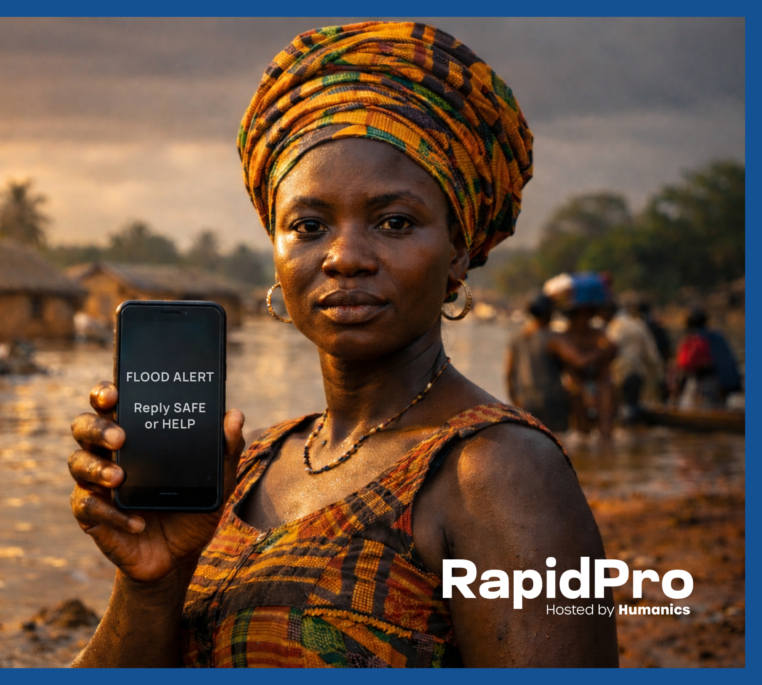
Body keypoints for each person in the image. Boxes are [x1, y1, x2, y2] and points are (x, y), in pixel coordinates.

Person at [68, 22, 617, 668]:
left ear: (457, 254)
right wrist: (151, 581)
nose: (345, 257)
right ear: (276, 252)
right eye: (308, 224)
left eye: (394, 222)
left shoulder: (498, 474)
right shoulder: (248, 464)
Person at [544, 273, 617, 438]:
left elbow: (610, 354)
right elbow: (577, 363)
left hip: (600, 381)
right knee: (582, 428)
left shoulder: (598, 332)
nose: (587, 317)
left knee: (606, 424)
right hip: (575, 384)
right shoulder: (564, 337)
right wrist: (600, 351)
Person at [504, 294, 569, 433]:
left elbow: (509, 376)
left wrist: (517, 403)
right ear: (549, 313)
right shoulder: (553, 338)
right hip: (552, 399)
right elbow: (574, 362)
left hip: (526, 400)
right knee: (557, 443)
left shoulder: (516, 339)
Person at [606, 295, 664, 422]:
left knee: (622, 415)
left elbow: (608, 354)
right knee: (631, 410)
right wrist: (659, 378)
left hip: (619, 376)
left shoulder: (613, 327)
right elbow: (653, 355)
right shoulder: (638, 324)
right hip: (637, 374)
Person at [674, 308, 741, 407]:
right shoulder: (718, 336)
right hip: (729, 384)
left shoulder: (694, 340)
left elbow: (685, 364)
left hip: (707, 384)